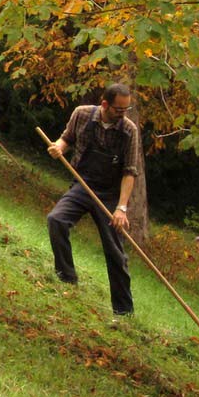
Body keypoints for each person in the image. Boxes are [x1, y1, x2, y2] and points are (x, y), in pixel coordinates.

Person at [45, 83, 142, 318]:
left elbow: (129, 172)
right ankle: (66, 278)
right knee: (56, 220)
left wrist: (121, 208)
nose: (123, 114)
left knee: (115, 253)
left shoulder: (129, 130)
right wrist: (57, 148)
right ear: (105, 104)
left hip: (109, 196)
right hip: (82, 186)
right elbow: (65, 139)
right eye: (119, 109)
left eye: (126, 109)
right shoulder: (82, 114)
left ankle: (123, 311)